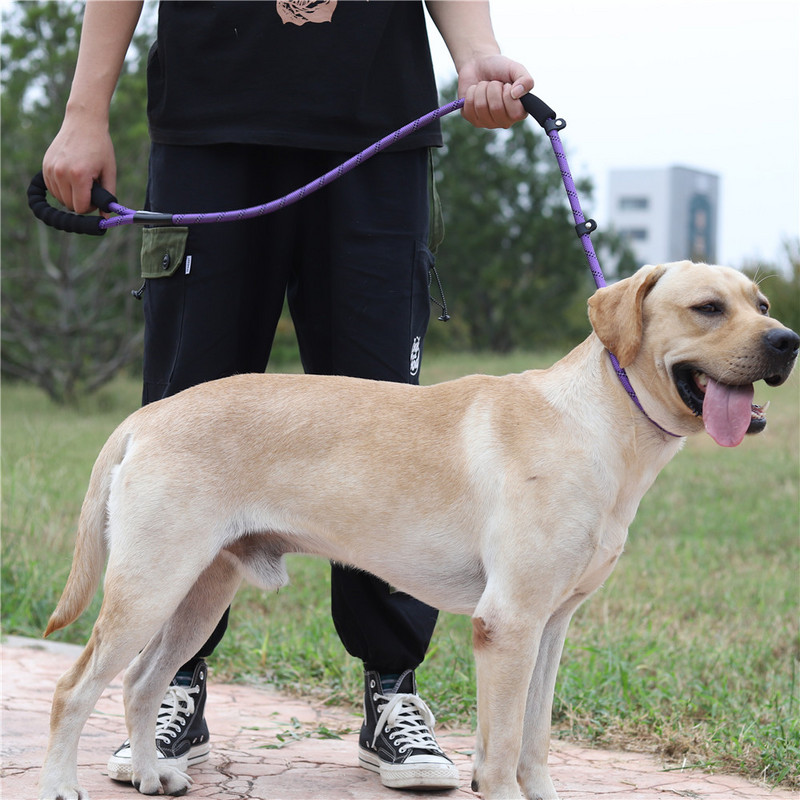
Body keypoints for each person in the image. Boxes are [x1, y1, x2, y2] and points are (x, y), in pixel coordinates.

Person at [43, 0, 533, 791]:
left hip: (377, 127)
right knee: (193, 428)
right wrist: (82, 110)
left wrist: (477, 51)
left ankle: (391, 691)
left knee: (392, 434)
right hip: (210, 124)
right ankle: (175, 686)